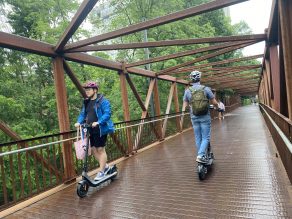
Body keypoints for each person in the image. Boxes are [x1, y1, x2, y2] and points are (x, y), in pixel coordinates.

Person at [74, 81, 114, 181]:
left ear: (95, 90)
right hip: (89, 129)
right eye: (86, 90)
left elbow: (107, 113)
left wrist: (98, 122)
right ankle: (105, 167)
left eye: (88, 90)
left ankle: (101, 172)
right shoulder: (87, 102)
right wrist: (79, 122)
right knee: (92, 150)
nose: (86, 92)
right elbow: (83, 114)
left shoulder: (103, 101)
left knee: (100, 149)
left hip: (100, 129)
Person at [183, 70, 218, 163]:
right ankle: (201, 155)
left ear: (191, 79)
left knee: (198, 137)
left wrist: (189, 110)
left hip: (194, 116)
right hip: (205, 116)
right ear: (200, 78)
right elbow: (214, 102)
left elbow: (185, 105)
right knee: (206, 137)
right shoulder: (206, 89)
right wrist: (217, 107)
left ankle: (200, 155)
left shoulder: (187, 91)